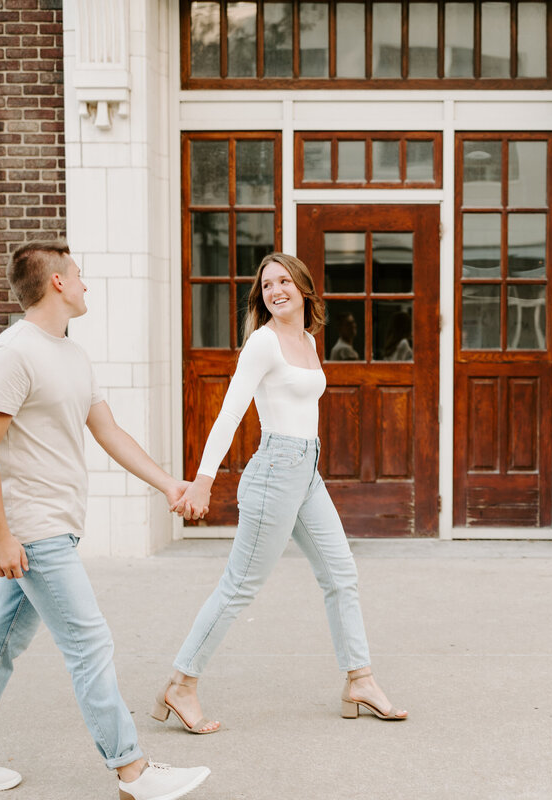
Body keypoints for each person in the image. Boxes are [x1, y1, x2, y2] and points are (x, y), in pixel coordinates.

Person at [0, 240, 210, 800]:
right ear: (56, 282)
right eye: (78, 274)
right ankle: (130, 770)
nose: (85, 284)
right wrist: (0, 536)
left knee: (1, 642)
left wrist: (168, 484)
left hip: (57, 524)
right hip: (33, 528)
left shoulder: (72, 354)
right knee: (90, 643)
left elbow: (107, 431)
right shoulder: (11, 354)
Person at [157, 252, 406, 735]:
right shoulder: (263, 344)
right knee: (239, 585)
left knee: (341, 575)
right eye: (267, 284)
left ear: (304, 288)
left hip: (306, 471)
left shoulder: (310, 340)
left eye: (284, 281)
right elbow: (231, 413)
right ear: (261, 296)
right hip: (273, 472)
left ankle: (360, 679)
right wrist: (204, 479)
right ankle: (181, 684)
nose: (276, 290)